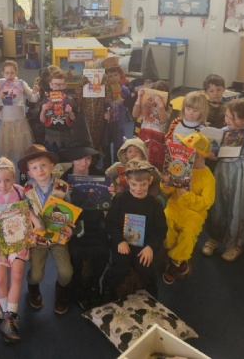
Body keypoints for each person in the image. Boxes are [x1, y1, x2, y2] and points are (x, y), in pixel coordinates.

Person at [0, 158, 36, 342]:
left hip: (17, 240)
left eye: (7, 180)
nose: (3, 185)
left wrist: (31, 231)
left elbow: (26, 215)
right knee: (0, 279)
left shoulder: (19, 191)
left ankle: (11, 315)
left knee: (17, 275)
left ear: (14, 178)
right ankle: (5, 315)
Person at [18, 144, 73, 315]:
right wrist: (33, 223)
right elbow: (24, 210)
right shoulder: (27, 189)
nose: (40, 170)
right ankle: (33, 288)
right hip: (38, 238)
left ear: (52, 166)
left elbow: (69, 211)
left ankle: (61, 291)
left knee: (66, 273)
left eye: (43, 165)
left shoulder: (63, 187)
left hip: (58, 237)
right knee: (36, 275)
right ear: (29, 173)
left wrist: (69, 226)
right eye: (34, 167)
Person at [203, 98, 244, 262]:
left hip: (240, 172)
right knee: (218, 203)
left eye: (231, 118)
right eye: (226, 116)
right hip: (222, 170)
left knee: (238, 205)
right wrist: (210, 152)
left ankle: (236, 243)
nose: (227, 120)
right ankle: (215, 236)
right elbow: (214, 150)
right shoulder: (224, 131)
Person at [103, 158, 167, 300]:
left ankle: (153, 298)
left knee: (146, 271)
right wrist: (119, 241)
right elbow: (111, 223)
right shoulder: (120, 199)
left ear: (150, 181)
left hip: (144, 245)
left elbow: (161, 229)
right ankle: (106, 291)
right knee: (120, 268)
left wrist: (150, 247)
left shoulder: (155, 204)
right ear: (127, 181)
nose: (139, 189)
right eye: (134, 184)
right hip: (122, 243)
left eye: (143, 184)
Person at [59, 140, 109, 310]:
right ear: (72, 159)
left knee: (103, 253)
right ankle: (78, 286)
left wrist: (109, 195)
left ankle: (94, 284)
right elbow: (58, 208)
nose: (84, 163)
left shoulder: (99, 174)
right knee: (76, 254)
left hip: (96, 222)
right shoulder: (64, 179)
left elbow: (106, 205)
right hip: (75, 225)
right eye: (79, 158)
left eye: (87, 158)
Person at [161, 131, 215, 284]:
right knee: (166, 223)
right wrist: (166, 185)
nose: (184, 151)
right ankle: (174, 251)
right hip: (175, 205)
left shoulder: (208, 177)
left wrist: (187, 195)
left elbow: (206, 203)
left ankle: (176, 261)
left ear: (199, 155)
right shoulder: (180, 166)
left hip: (194, 212)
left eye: (188, 149)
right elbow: (168, 190)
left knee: (189, 232)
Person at [0, 60, 40, 161]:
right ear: (3, 73)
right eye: (7, 73)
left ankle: (22, 169)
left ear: (16, 72)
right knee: (6, 151)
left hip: (19, 121)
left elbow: (33, 98)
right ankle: (7, 168)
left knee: (21, 150)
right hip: (6, 122)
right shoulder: (0, 85)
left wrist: (35, 92)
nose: (9, 75)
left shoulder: (21, 83)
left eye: (12, 73)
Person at [132, 80, 172, 171]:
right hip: (144, 134)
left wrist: (160, 105)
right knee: (142, 157)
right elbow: (135, 114)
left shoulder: (168, 108)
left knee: (155, 161)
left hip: (157, 138)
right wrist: (139, 98)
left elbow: (163, 119)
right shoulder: (146, 104)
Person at [74, 60, 112, 152]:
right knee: (85, 136)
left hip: (99, 114)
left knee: (97, 136)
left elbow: (108, 98)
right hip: (85, 115)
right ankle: (86, 155)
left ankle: (95, 156)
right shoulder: (83, 82)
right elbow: (77, 99)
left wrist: (105, 84)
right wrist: (82, 83)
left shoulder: (103, 81)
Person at [101, 58, 130, 168]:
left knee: (119, 144)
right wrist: (103, 113)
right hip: (106, 122)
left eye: (115, 75)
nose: (113, 78)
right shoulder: (103, 89)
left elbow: (129, 105)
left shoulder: (124, 90)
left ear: (119, 75)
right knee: (105, 144)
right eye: (110, 76)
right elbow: (99, 104)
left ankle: (118, 167)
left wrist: (124, 102)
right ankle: (106, 166)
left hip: (119, 121)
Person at [39, 68, 76, 153]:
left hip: (66, 134)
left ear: (65, 85)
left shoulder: (70, 99)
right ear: (50, 85)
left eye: (61, 84)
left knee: (66, 157)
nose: (58, 87)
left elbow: (74, 119)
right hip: (50, 134)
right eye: (55, 84)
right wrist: (43, 110)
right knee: (51, 157)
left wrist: (70, 112)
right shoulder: (46, 100)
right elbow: (42, 121)